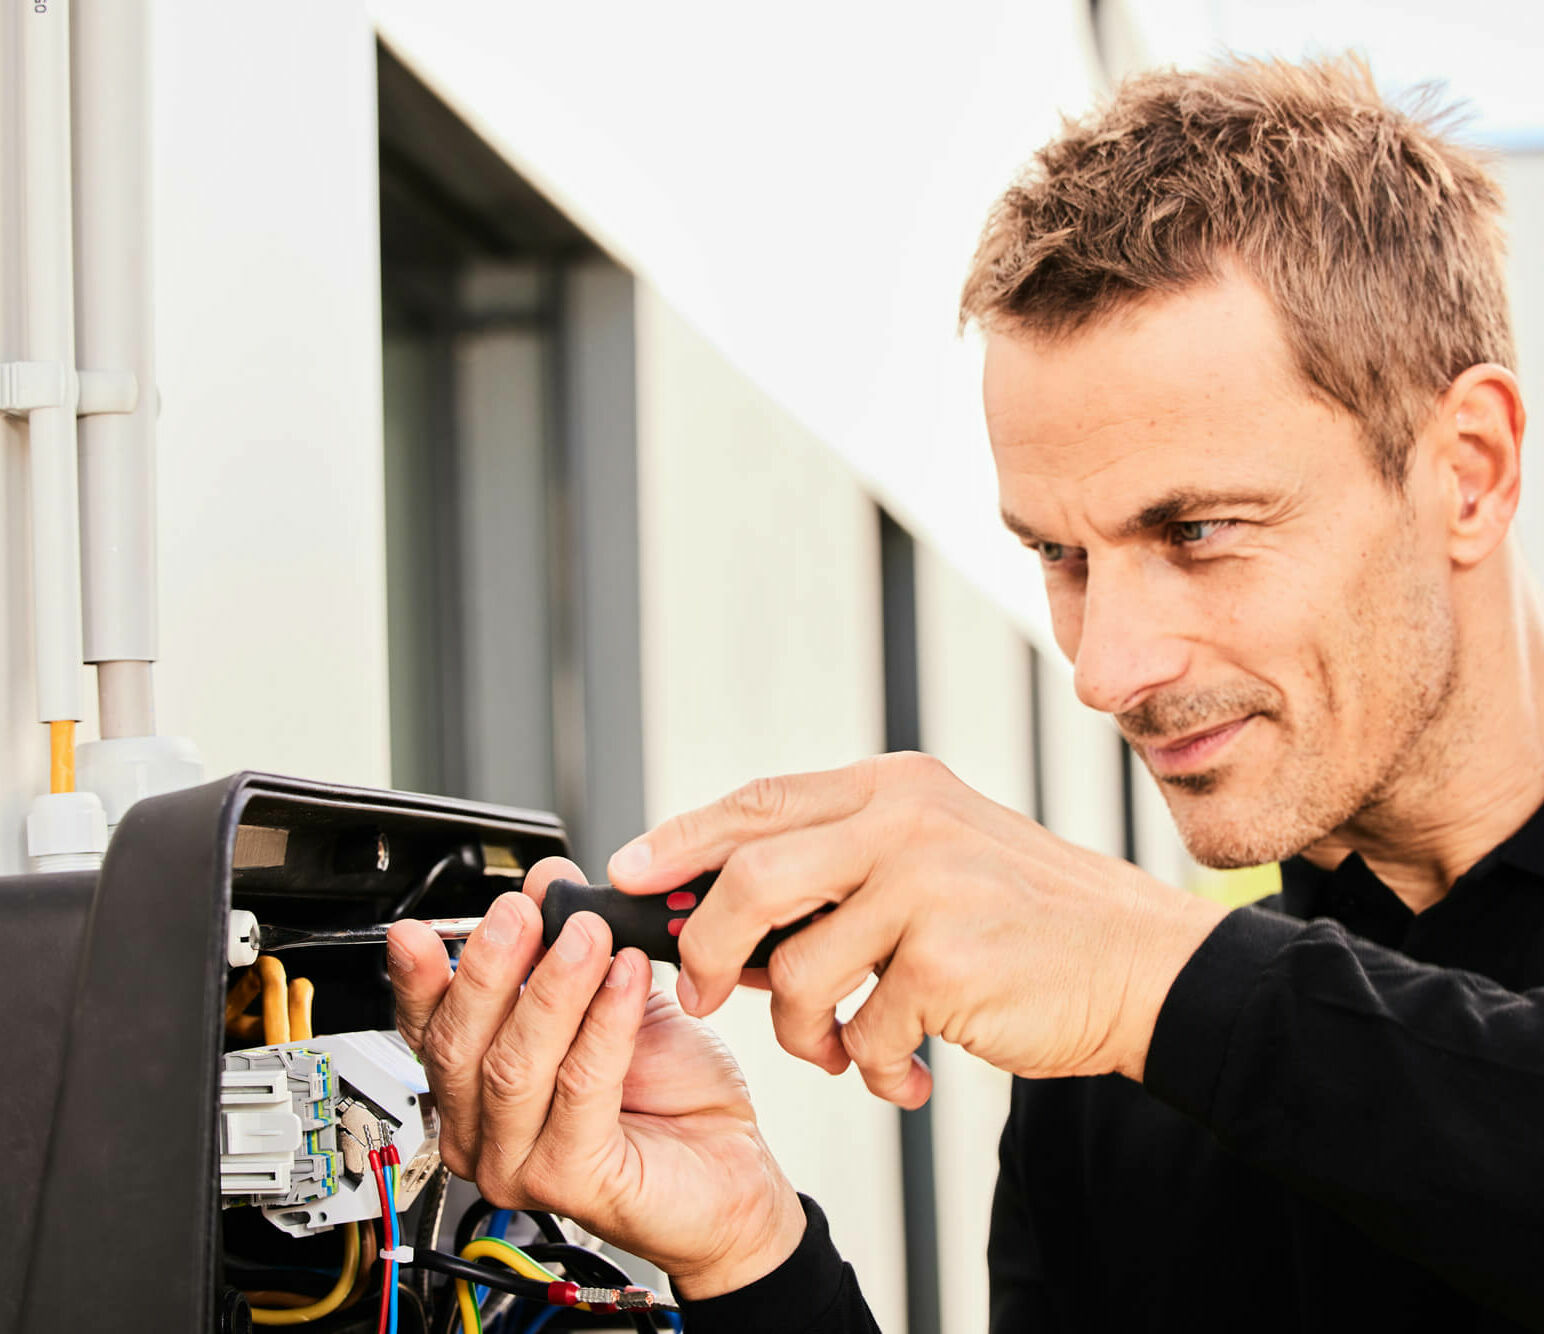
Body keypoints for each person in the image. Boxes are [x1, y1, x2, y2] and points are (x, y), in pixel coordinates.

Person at [386, 54, 1544, 1331]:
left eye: (1199, 529)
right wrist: (749, 1256)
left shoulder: (1147, 1005)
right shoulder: (1117, 1083)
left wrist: (1144, 976)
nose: (1103, 668)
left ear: (1468, 469)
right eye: (1058, 553)